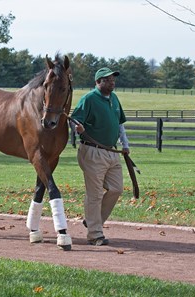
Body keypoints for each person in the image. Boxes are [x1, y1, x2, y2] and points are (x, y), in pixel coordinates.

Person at [70, 67, 130, 246]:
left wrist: (125, 145)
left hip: (112, 151)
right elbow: (74, 120)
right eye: (107, 79)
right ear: (98, 82)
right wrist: (77, 128)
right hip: (92, 151)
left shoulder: (114, 98)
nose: (112, 82)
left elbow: (119, 124)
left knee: (116, 189)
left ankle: (92, 220)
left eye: (113, 79)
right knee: (94, 194)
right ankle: (95, 234)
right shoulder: (88, 99)